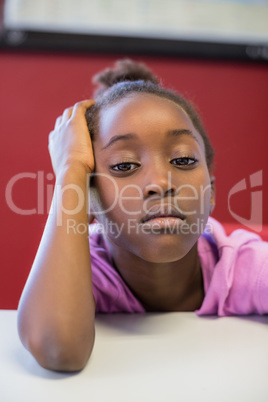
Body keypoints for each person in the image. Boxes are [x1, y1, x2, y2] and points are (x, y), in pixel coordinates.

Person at [17, 59, 268, 372]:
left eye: (183, 159)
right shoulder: (84, 276)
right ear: (89, 200)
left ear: (212, 192)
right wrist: (71, 168)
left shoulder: (246, 267)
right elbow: (58, 349)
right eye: (124, 165)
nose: (161, 183)